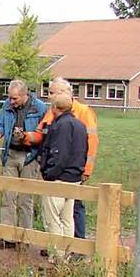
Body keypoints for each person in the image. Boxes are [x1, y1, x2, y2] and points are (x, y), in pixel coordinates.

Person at [23, 77, 99, 242]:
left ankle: (75, 246)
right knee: (65, 214)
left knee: (73, 209)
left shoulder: (84, 112)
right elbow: (40, 134)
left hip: (69, 171)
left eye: (52, 93)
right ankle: (62, 247)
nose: (49, 96)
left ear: (64, 93)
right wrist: (24, 137)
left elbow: (91, 143)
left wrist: (86, 169)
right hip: (62, 170)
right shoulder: (52, 112)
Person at [0, 79, 47, 248]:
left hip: (29, 156)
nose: (11, 101)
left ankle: (25, 238)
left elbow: (44, 133)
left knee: (25, 199)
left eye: (15, 98)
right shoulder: (7, 106)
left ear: (25, 95)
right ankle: (7, 237)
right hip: (11, 154)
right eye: (10, 98)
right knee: (8, 196)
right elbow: (0, 124)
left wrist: (26, 136)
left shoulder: (39, 108)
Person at [39, 91, 87, 262]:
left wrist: (49, 173)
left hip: (59, 179)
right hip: (75, 178)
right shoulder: (80, 125)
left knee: (53, 219)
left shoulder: (60, 126)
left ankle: (57, 255)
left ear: (54, 108)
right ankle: (67, 253)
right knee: (68, 219)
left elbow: (59, 154)